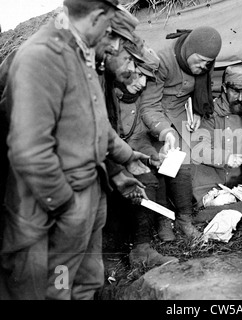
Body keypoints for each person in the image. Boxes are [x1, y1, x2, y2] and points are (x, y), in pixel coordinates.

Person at [0, 0, 150, 300]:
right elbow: (30, 150)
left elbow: (96, 123)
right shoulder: (43, 57)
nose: (116, 44)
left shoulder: (81, 56)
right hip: (54, 201)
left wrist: (124, 157)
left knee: (86, 279)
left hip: (86, 190)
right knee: (56, 285)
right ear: (95, 17)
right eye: (113, 33)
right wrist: (65, 205)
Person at [100, 10, 178, 268]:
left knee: (146, 177)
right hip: (86, 158)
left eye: (144, 75)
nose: (141, 82)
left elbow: (134, 134)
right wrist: (120, 164)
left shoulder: (126, 92)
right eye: (136, 72)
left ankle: (142, 248)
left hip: (109, 152)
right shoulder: (98, 83)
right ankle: (108, 255)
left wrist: (145, 154)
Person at [140, 26, 222, 241]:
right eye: (200, 60)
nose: (203, 66)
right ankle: (164, 221)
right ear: (189, 50)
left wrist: (196, 111)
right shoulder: (163, 60)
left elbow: (202, 91)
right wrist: (165, 131)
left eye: (208, 63)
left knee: (181, 168)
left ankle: (184, 220)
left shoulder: (206, 63)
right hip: (153, 119)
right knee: (160, 171)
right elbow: (148, 106)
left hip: (178, 116)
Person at [191, 65, 242, 207]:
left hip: (239, 184)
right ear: (224, 88)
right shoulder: (209, 114)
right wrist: (227, 158)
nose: (241, 98)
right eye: (236, 92)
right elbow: (199, 150)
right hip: (209, 185)